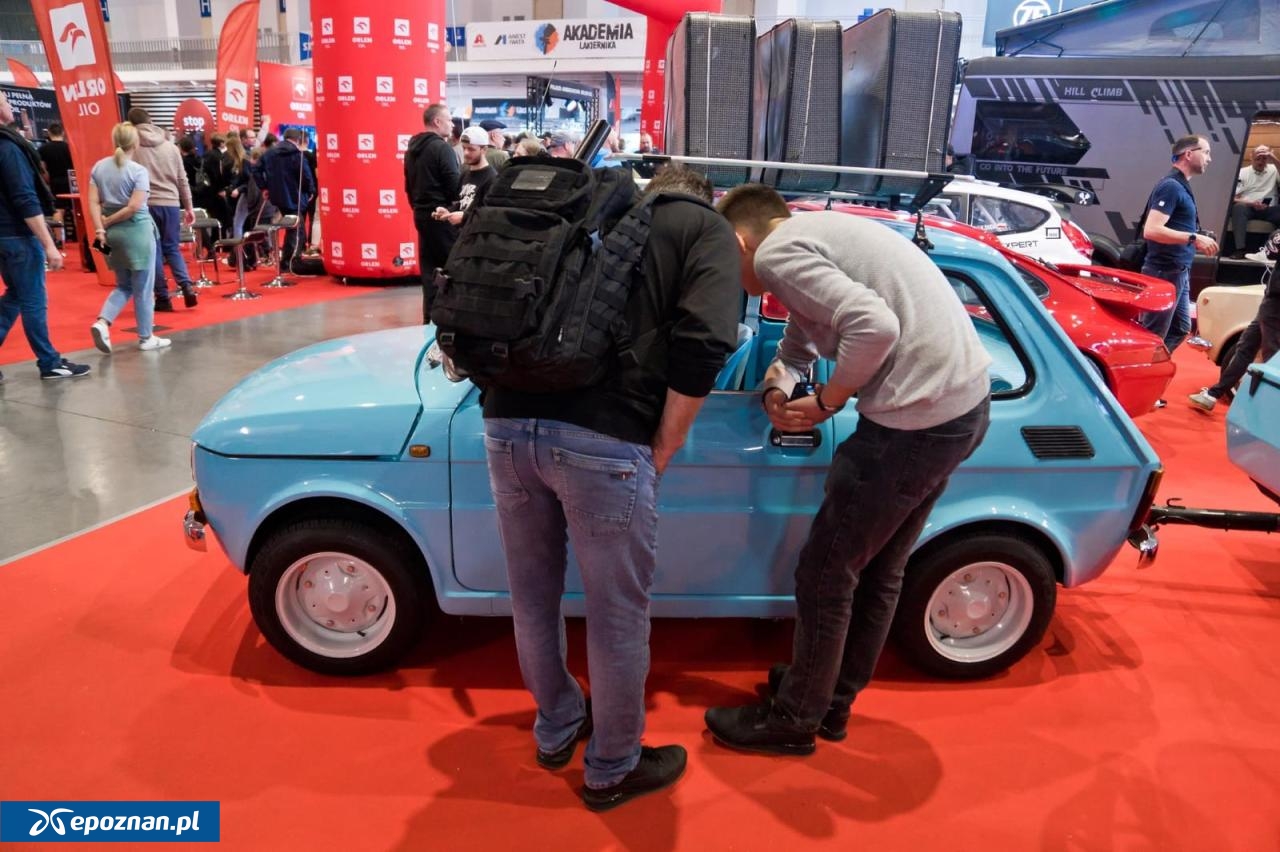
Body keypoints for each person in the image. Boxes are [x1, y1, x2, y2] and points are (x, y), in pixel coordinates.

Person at [482, 165, 740, 810]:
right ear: (704, 197)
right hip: (606, 437)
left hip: (506, 422)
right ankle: (613, 766)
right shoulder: (701, 228)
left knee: (531, 596)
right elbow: (706, 341)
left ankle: (556, 726)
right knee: (616, 611)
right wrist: (665, 445)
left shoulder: (585, 211)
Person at [704, 184, 991, 755]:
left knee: (825, 572)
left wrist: (828, 401)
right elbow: (801, 341)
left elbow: (874, 326)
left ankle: (794, 720)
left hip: (911, 426)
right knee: (878, 568)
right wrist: (779, 384)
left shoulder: (776, 255)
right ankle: (829, 699)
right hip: (959, 411)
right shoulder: (813, 236)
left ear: (739, 243)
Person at [0, 91, 90, 382]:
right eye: (5, 101)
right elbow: (25, 198)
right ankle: (49, 362)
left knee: (16, 295)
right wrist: (49, 244)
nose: (10, 106)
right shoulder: (9, 148)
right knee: (33, 300)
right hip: (17, 235)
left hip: (5, 235)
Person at [87, 122, 170, 354]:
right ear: (136, 143)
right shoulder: (138, 171)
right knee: (143, 288)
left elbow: (93, 202)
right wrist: (108, 222)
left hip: (109, 237)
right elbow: (134, 207)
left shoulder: (98, 167)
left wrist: (101, 228)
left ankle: (102, 322)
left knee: (123, 285)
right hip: (137, 234)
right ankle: (146, 337)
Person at [1138, 135, 1219, 358]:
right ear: (1189, 154)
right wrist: (1193, 238)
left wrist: (1195, 236)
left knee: (1180, 328)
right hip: (1164, 271)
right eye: (1206, 152)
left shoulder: (1180, 186)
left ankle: (1154, 368)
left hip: (1177, 270)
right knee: (1153, 334)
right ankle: (1141, 372)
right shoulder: (1171, 186)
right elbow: (1151, 230)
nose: (1209, 159)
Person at [1189, 232, 1280, 412]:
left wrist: (1273, 238)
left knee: (1272, 356)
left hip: (1275, 303)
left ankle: (1271, 409)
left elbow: (1272, 251)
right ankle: (1213, 394)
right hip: (1272, 300)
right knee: (1246, 346)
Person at [125, 107, 198, 312]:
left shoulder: (131, 148)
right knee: (172, 248)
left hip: (145, 205)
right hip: (171, 203)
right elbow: (182, 180)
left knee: (153, 251)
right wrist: (189, 206)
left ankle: (163, 297)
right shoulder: (171, 147)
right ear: (150, 121)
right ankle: (186, 285)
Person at [405, 103, 461, 314]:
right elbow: (454, 185)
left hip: (421, 214)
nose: (452, 124)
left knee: (429, 272)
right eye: (449, 120)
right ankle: (450, 316)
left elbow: (408, 185)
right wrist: (454, 209)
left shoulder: (411, 149)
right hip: (442, 216)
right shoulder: (442, 148)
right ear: (437, 122)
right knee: (452, 268)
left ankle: (429, 317)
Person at [252, 128, 314, 275]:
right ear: (298, 139)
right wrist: (310, 190)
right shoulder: (296, 154)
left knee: (293, 227)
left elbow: (255, 170)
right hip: (295, 196)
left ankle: (289, 260)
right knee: (296, 229)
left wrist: (264, 187)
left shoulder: (269, 153)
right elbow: (306, 175)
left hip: (277, 196)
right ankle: (289, 262)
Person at [431, 126, 497, 227]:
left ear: (484, 149)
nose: (466, 153)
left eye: (471, 149)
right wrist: (448, 212)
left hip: (477, 234)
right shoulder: (465, 173)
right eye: (464, 148)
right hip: (462, 234)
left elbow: (490, 214)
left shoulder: (492, 178)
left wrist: (464, 217)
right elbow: (461, 203)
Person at [1229, 145, 1280, 256]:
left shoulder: (1274, 169)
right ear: (1251, 157)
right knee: (1238, 207)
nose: (1261, 162)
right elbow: (1231, 197)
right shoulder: (1242, 172)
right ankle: (1240, 249)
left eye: (1264, 158)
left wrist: (1273, 157)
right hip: (1249, 207)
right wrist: (1251, 203)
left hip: (1269, 208)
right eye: (1258, 158)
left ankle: (1275, 250)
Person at [38, 123, 73, 248]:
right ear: (63, 133)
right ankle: (82, 237)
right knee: (76, 209)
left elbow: (42, 169)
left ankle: (59, 240)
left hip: (55, 181)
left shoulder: (43, 149)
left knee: (58, 209)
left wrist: (47, 180)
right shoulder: (70, 147)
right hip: (71, 181)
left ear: (49, 133)